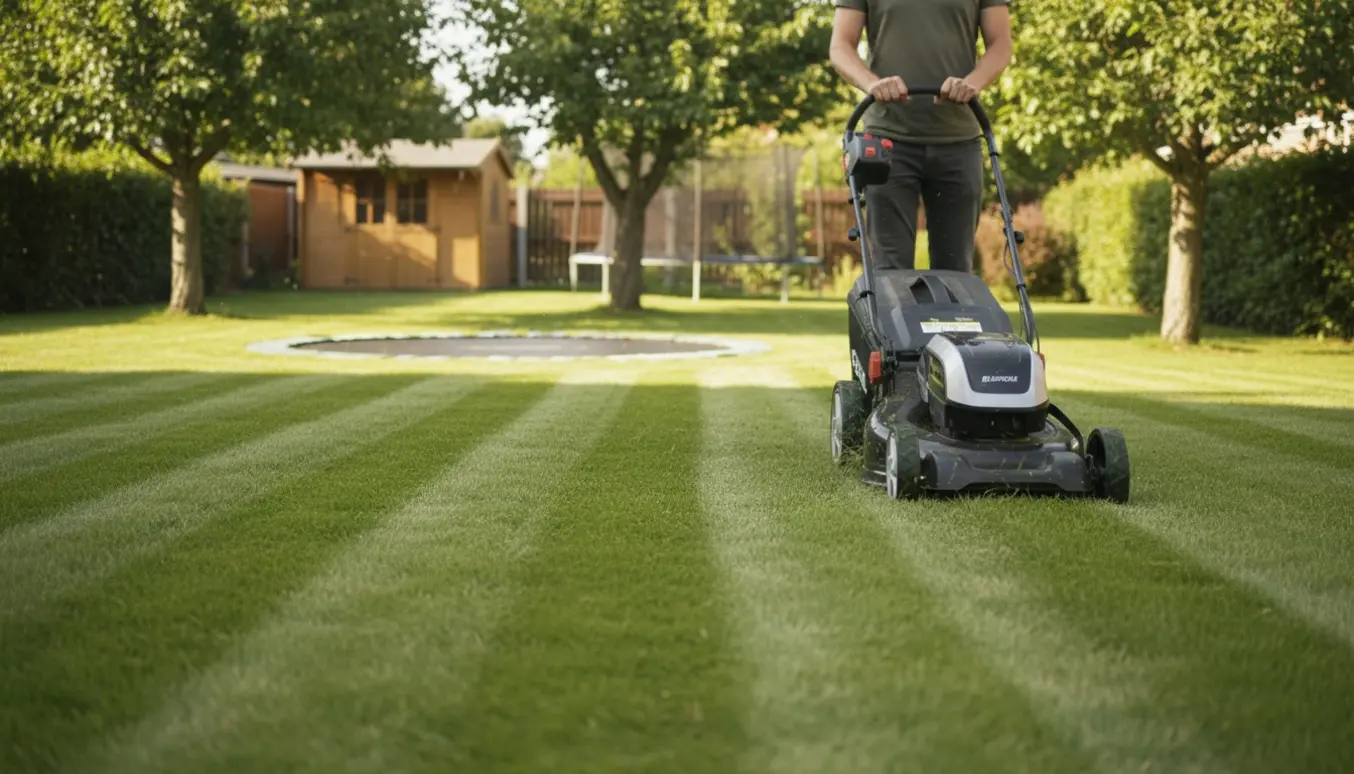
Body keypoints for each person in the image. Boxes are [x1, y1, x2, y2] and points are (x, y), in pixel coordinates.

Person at [829, 0, 1012, 273]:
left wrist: (971, 84)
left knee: (956, 272)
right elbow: (840, 46)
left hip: (958, 141)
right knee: (890, 272)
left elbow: (1001, 47)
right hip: (887, 142)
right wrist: (872, 84)